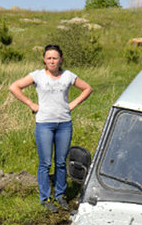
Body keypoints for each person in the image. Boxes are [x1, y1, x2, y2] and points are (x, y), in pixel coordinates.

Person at [9, 44, 92, 211]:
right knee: (45, 163)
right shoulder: (37, 75)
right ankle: (45, 198)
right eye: (49, 58)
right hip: (44, 124)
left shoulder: (68, 75)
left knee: (61, 162)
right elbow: (14, 87)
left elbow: (87, 88)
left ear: (60, 59)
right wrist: (31, 104)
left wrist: (73, 104)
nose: (52, 61)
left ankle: (60, 195)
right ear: (44, 59)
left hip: (64, 124)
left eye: (55, 58)